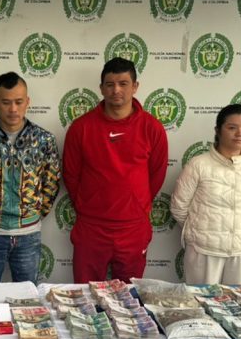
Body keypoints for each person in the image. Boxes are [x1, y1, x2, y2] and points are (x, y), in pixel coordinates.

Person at [62, 57, 168, 282]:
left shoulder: (152, 128)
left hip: (133, 227)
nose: (116, 90)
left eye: (123, 83)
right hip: (92, 227)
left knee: (129, 295)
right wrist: (87, 205)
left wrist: (136, 205)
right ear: (101, 88)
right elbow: (71, 174)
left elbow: (157, 174)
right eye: (110, 84)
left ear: (135, 86)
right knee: (85, 293)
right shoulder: (81, 127)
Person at [0, 72, 60, 283]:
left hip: (28, 234)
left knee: (27, 296)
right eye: (6, 102)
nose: (13, 109)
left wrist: (33, 214)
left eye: (18, 102)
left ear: (28, 102)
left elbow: (51, 183)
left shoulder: (44, 140)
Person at [170, 104, 241, 285]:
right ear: (218, 130)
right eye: (232, 127)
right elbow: (179, 207)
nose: (239, 133)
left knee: (236, 300)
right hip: (204, 251)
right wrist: (202, 229)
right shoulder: (198, 164)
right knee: (200, 299)